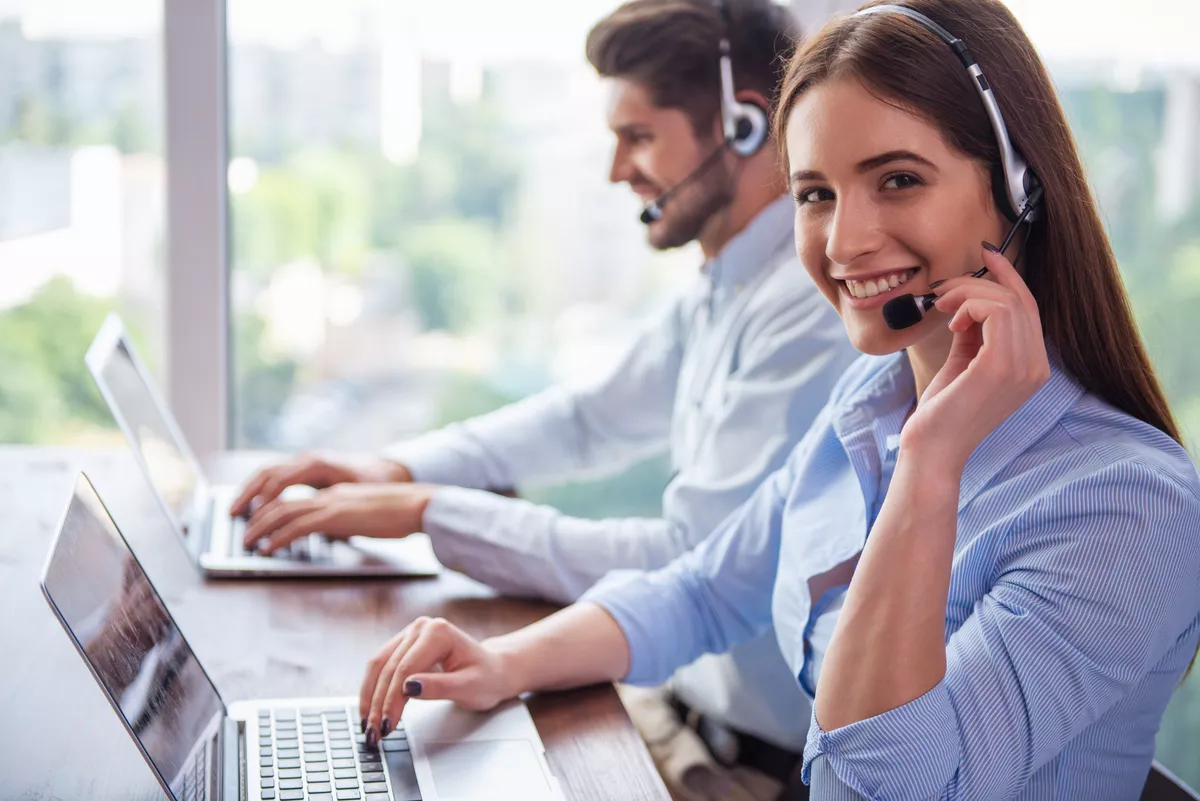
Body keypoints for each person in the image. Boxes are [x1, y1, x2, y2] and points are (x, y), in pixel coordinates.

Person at [351, 0, 1200, 798]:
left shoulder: (1125, 504)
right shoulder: (869, 401)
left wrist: (932, 461)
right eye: (815, 194)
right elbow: (705, 588)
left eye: (898, 179)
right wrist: (503, 662)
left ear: (1019, 188)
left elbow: (874, 782)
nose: (844, 242)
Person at [233, 1, 858, 797]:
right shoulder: (727, 282)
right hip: (673, 713)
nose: (615, 169)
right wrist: (390, 467)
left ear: (743, 127)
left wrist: (431, 511)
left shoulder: (811, 313)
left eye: (638, 136)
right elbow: (586, 418)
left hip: (753, 768)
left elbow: (684, 559)